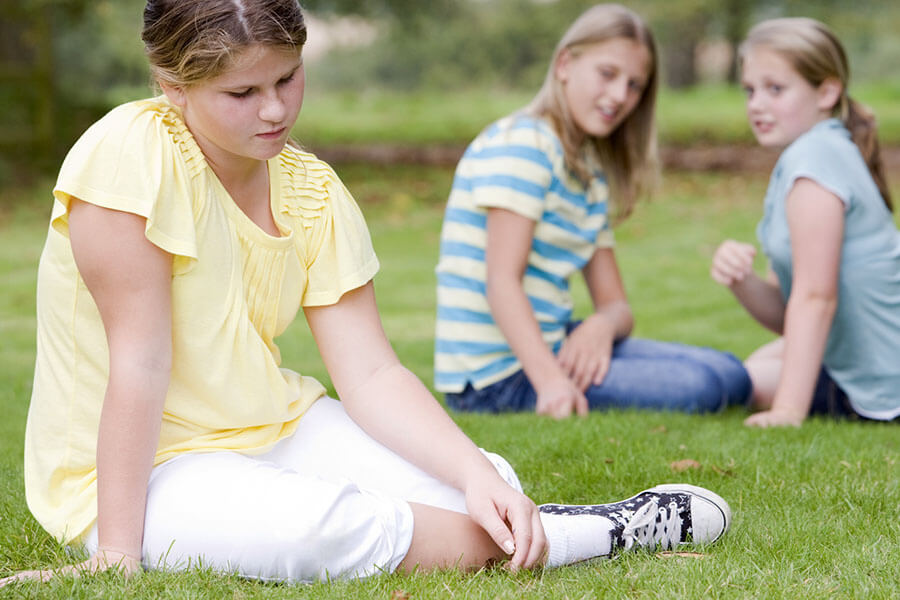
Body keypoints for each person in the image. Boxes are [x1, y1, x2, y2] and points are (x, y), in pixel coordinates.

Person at [0, 0, 732, 587]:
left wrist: (474, 473)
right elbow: (138, 362)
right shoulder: (129, 156)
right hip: (140, 470)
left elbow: (372, 373)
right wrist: (117, 555)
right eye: (241, 93)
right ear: (171, 85)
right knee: (315, 533)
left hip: (275, 430)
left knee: (488, 481)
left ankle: (509, 518)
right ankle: (597, 530)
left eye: (287, 79)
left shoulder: (312, 187)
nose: (273, 111)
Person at [434, 4, 752, 419]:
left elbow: (617, 306)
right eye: (608, 74)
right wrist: (551, 383)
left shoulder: (586, 171)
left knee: (730, 372)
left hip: (552, 344)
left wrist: (599, 327)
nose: (620, 96)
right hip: (497, 378)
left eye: (635, 85)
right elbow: (501, 282)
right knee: (704, 387)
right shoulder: (524, 145)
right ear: (565, 63)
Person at [711, 17, 900, 427]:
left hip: (879, 383)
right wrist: (741, 280)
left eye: (775, 89)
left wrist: (787, 410)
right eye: (750, 90)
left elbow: (816, 298)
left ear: (827, 91)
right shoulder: (810, 154)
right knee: (756, 363)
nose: (756, 104)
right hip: (855, 360)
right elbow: (788, 309)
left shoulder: (815, 159)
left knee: (738, 381)